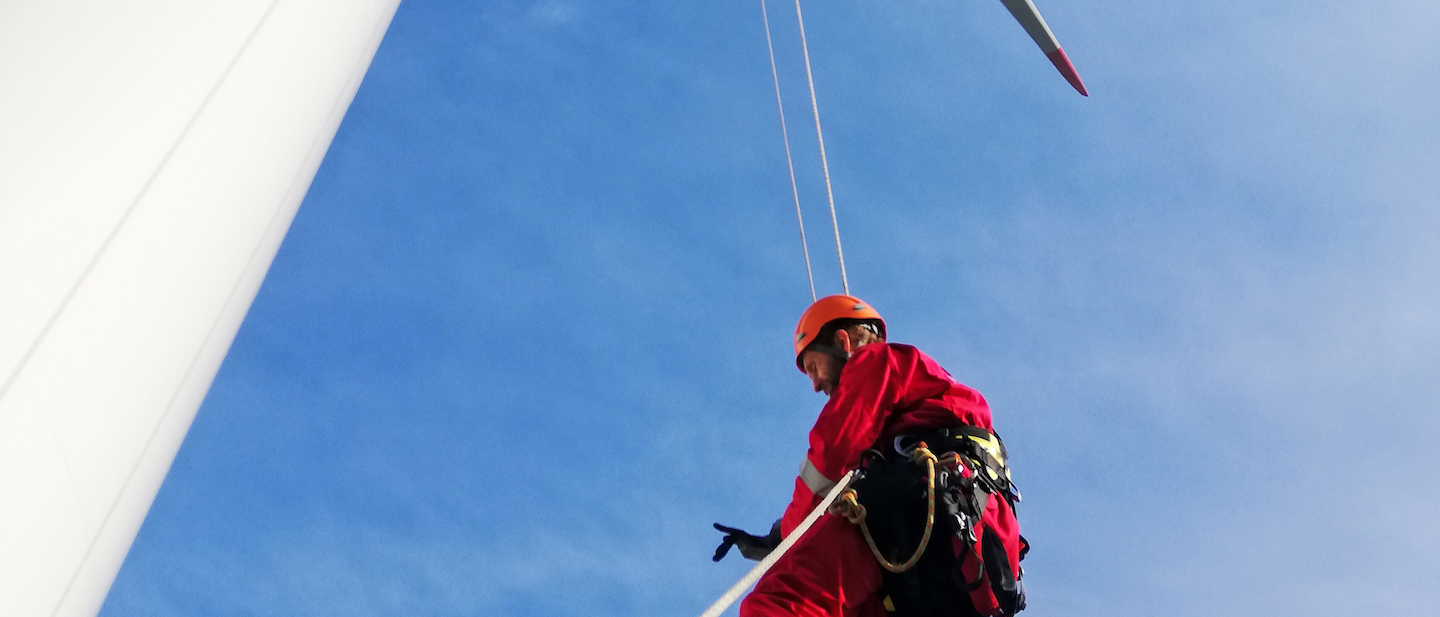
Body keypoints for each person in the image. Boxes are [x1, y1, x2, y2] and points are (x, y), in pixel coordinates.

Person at [713, 295, 1023, 617]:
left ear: (842, 341)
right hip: (974, 550)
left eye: (813, 367)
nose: (816, 385)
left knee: (780, 601)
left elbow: (833, 452)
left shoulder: (878, 361)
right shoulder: (935, 396)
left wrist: (788, 538)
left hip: (918, 513)